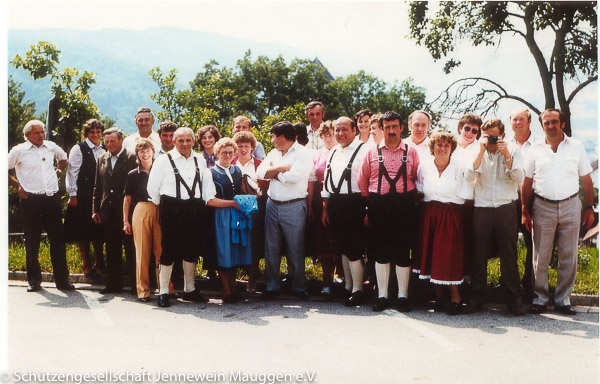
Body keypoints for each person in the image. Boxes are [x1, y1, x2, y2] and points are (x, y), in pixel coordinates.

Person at [522, 109, 594, 315]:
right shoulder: (535, 149)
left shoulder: (576, 146)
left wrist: (589, 207)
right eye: (546, 123)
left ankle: (563, 300)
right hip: (542, 205)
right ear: (542, 125)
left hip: (571, 204)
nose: (551, 126)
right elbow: (527, 182)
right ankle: (541, 298)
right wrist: (525, 211)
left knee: (568, 255)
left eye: (554, 122)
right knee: (540, 256)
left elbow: (586, 179)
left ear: (562, 124)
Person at [358, 111, 420, 312]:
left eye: (395, 126)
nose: (391, 131)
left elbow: (417, 178)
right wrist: (370, 206)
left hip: (404, 206)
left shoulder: (411, 152)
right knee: (380, 251)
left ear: (402, 128)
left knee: (403, 251)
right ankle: (382, 295)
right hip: (379, 205)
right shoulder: (371, 152)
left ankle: (403, 296)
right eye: (387, 127)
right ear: (382, 128)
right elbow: (363, 180)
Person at [147, 127, 214, 308]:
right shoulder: (162, 160)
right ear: (174, 142)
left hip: (194, 207)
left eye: (188, 140)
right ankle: (163, 292)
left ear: (193, 141)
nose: (185, 144)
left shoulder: (200, 159)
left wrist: (206, 201)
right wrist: (164, 205)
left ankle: (189, 289)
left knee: (191, 248)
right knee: (168, 250)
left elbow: (207, 184)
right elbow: (152, 188)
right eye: (181, 141)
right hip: (171, 207)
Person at [466, 119, 526, 315]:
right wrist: (481, 151)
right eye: (487, 136)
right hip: (482, 207)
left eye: (494, 136)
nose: (491, 140)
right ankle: (477, 297)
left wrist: (506, 154)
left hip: (505, 207)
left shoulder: (514, 150)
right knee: (478, 253)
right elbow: (468, 177)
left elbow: (519, 178)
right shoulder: (476, 150)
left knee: (508, 254)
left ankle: (512, 298)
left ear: (502, 135)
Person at [8, 120, 74, 292]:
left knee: (57, 241)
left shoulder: (51, 146)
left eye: (42, 132)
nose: (41, 135)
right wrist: (17, 186)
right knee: (32, 241)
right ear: (27, 134)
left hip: (51, 199)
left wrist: (59, 171)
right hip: (31, 200)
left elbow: (63, 158)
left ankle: (62, 281)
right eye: (37, 132)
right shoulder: (18, 151)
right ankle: (34, 281)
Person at [257, 121, 313, 299]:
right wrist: (281, 168)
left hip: (294, 205)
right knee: (271, 247)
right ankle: (272, 286)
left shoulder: (303, 154)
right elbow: (260, 172)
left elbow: (294, 177)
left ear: (281, 136)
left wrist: (272, 174)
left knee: (295, 247)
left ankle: (298, 286)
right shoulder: (274, 152)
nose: (272, 140)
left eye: (273, 136)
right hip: (272, 204)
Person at [417, 131, 469, 315]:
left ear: (452, 149)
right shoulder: (424, 166)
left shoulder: (459, 167)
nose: (442, 148)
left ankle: (455, 297)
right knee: (432, 254)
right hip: (430, 213)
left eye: (447, 145)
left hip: (450, 214)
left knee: (449, 255)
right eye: (439, 145)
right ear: (433, 148)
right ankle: (439, 296)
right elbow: (419, 187)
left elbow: (466, 192)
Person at [321, 117, 370, 305]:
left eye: (344, 130)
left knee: (354, 246)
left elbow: (369, 179)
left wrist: (367, 208)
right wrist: (325, 208)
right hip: (335, 202)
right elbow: (327, 181)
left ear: (354, 131)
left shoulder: (364, 150)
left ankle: (358, 289)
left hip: (355, 202)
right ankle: (348, 286)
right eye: (337, 130)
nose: (340, 134)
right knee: (342, 246)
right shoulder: (333, 151)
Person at [92, 127, 138, 294]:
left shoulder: (132, 157)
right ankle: (113, 283)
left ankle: (136, 285)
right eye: (107, 141)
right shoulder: (101, 158)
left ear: (121, 140)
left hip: (127, 211)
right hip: (108, 211)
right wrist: (95, 209)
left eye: (112, 141)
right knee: (111, 249)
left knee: (131, 249)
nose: (109, 144)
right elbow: (98, 186)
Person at [206, 138, 251, 303]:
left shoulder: (237, 170)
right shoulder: (211, 172)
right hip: (220, 215)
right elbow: (209, 200)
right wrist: (233, 203)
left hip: (236, 215)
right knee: (223, 252)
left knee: (235, 251)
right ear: (217, 153)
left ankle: (232, 288)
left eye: (230, 152)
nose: (227, 155)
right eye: (224, 152)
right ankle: (226, 291)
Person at [65, 118, 106, 277]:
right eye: (92, 132)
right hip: (82, 195)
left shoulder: (104, 148)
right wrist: (72, 193)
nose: (95, 134)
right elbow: (72, 172)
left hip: (100, 196)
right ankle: (85, 263)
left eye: (98, 132)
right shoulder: (79, 148)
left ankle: (99, 262)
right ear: (86, 133)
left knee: (98, 230)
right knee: (83, 231)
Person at [123, 139, 161, 302]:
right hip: (141, 209)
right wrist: (126, 221)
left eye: (148, 151)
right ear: (137, 154)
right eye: (141, 151)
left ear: (153, 152)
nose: (145, 154)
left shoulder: (160, 171)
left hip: (159, 208)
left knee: (161, 251)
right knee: (142, 252)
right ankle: (143, 291)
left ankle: (166, 288)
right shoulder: (133, 174)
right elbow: (127, 199)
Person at [232, 131, 268, 293]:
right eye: (240, 146)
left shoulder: (261, 163)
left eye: (246, 146)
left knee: (253, 244)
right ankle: (233, 280)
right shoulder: (231, 163)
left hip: (255, 210)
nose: (243, 149)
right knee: (235, 243)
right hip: (235, 209)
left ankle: (252, 280)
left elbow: (266, 189)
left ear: (253, 148)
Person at [307, 121, 339, 298]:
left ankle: (345, 280)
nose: (328, 138)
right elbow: (312, 180)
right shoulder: (316, 155)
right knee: (324, 243)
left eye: (331, 134)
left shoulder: (343, 152)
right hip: (320, 200)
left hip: (340, 198)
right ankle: (326, 281)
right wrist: (310, 204)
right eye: (324, 135)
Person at [509, 108, 537, 302]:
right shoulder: (505, 144)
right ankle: (509, 286)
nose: (518, 123)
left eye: (522, 119)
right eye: (514, 119)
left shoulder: (538, 145)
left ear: (529, 122)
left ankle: (529, 287)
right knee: (508, 244)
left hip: (532, 199)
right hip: (509, 200)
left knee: (532, 244)